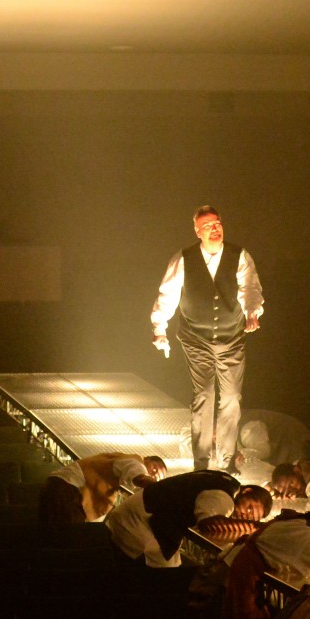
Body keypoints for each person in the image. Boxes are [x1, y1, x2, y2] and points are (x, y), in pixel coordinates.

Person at [151, 205, 264, 472]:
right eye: (207, 226)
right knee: (203, 394)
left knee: (232, 397)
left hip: (231, 337)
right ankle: (201, 461)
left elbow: (250, 286)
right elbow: (168, 293)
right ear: (197, 232)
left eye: (217, 224)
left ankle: (226, 460)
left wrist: (251, 312)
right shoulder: (184, 258)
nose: (214, 229)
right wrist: (159, 328)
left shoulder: (239, 255)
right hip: (196, 337)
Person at [105, 469, 271, 568]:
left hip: (133, 517)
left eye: (250, 516)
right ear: (247, 491)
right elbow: (210, 526)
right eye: (249, 508)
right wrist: (259, 528)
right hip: (141, 527)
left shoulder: (221, 478)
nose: (244, 515)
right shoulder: (224, 496)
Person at [37, 452, 167, 524]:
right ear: (147, 458)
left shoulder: (113, 490)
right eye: (155, 468)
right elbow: (140, 478)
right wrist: (165, 490)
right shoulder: (135, 461)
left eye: (157, 476)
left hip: (60, 487)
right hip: (67, 489)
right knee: (67, 539)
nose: (153, 474)